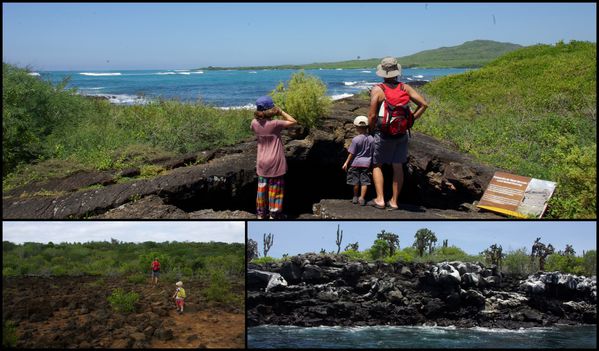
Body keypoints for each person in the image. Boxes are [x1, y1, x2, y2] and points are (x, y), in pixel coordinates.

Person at [367, 57, 428, 210]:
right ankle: (394, 202)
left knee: (377, 164)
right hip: (401, 133)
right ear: (396, 72)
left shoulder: (378, 89)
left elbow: (372, 116)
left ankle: (380, 199)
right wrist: (410, 120)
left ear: (382, 72)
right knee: (398, 166)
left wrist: (371, 130)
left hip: (384, 133)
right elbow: (424, 104)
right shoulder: (404, 88)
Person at [251, 95, 298, 219]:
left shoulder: (254, 123)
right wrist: (281, 111)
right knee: (275, 190)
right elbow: (293, 121)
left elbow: (254, 128)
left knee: (262, 190)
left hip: (262, 161)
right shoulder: (275, 124)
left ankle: (261, 214)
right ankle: (274, 214)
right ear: (271, 109)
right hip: (275, 161)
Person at [342, 116, 374, 206]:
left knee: (355, 181)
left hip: (355, 163)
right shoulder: (371, 139)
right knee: (365, 181)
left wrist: (346, 163)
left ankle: (355, 196)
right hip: (367, 163)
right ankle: (362, 198)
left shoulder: (356, 139)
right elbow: (372, 152)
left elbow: (351, 153)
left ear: (357, 127)